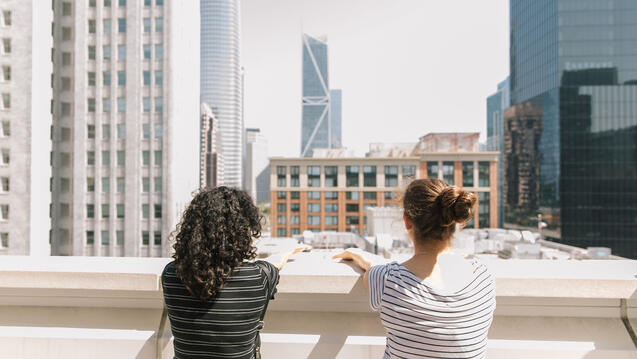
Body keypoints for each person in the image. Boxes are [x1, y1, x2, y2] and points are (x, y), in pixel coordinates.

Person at [334, 179, 496, 358]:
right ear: (453, 220)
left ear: (407, 221)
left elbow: (371, 268)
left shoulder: (388, 280)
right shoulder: (483, 278)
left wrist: (361, 256)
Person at [161, 186, 308, 359]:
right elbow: (274, 265)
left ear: (192, 229)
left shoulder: (171, 274)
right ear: (242, 230)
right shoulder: (258, 276)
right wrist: (288, 252)